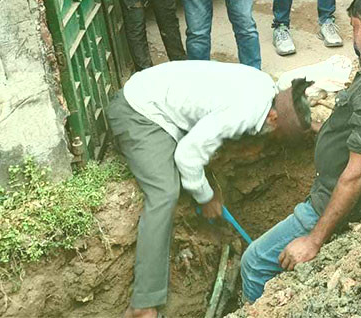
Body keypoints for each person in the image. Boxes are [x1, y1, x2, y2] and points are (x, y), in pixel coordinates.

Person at [240, 0, 361, 302]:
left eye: (353, 27)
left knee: (254, 261)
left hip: (328, 205)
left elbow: (356, 174)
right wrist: (315, 129)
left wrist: (313, 240)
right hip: (350, 194)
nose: (353, 36)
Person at [105, 61, 312, 318]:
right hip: (140, 113)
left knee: (191, 175)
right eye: (277, 135)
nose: (271, 139)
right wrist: (206, 196)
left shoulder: (266, 89)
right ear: (272, 117)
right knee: (164, 192)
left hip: (163, 105)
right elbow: (187, 157)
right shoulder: (245, 112)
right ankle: (143, 305)